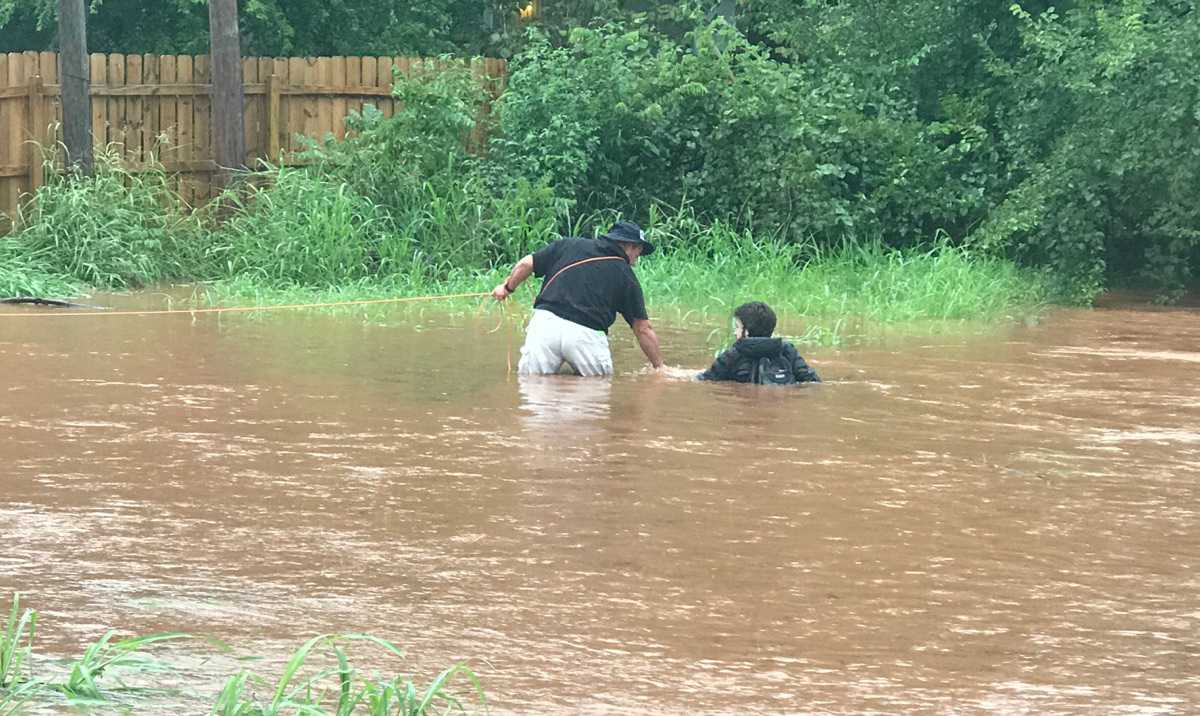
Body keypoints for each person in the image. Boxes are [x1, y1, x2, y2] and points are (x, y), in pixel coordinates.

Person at [492, 220, 665, 376]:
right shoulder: (626, 276)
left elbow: (526, 264)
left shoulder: (569, 245)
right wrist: (660, 367)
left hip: (545, 327)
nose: (636, 260)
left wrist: (507, 288)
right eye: (638, 252)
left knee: (533, 388)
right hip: (586, 336)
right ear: (630, 246)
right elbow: (642, 329)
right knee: (595, 393)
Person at [697, 301, 821, 384]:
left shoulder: (733, 354)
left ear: (747, 331)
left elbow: (706, 380)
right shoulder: (786, 350)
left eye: (738, 327)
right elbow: (812, 381)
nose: (735, 332)